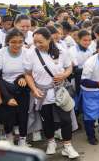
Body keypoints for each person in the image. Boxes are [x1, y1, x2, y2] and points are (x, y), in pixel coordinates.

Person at [24, 27, 79, 158]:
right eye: (35, 41)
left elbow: (69, 67)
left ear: (49, 39)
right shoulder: (30, 53)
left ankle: (67, 146)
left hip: (59, 91)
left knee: (65, 119)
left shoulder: (61, 51)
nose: (37, 44)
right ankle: (51, 142)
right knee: (47, 120)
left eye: (40, 42)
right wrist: (34, 89)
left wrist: (64, 75)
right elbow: (27, 74)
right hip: (41, 93)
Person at [0, 28, 30, 146]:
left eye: (20, 41)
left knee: (23, 114)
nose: (17, 45)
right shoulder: (0, 53)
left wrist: (22, 77)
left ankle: (23, 139)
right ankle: (9, 136)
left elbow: (30, 71)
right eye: (13, 42)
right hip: (5, 87)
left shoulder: (26, 53)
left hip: (22, 87)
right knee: (8, 115)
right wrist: (8, 97)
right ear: (7, 41)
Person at [69, 29, 94, 106]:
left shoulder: (90, 50)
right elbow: (75, 69)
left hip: (87, 77)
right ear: (78, 40)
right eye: (85, 40)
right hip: (76, 78)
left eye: (89, 40)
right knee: (76, 97)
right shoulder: (72, 50)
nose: (87, 42)